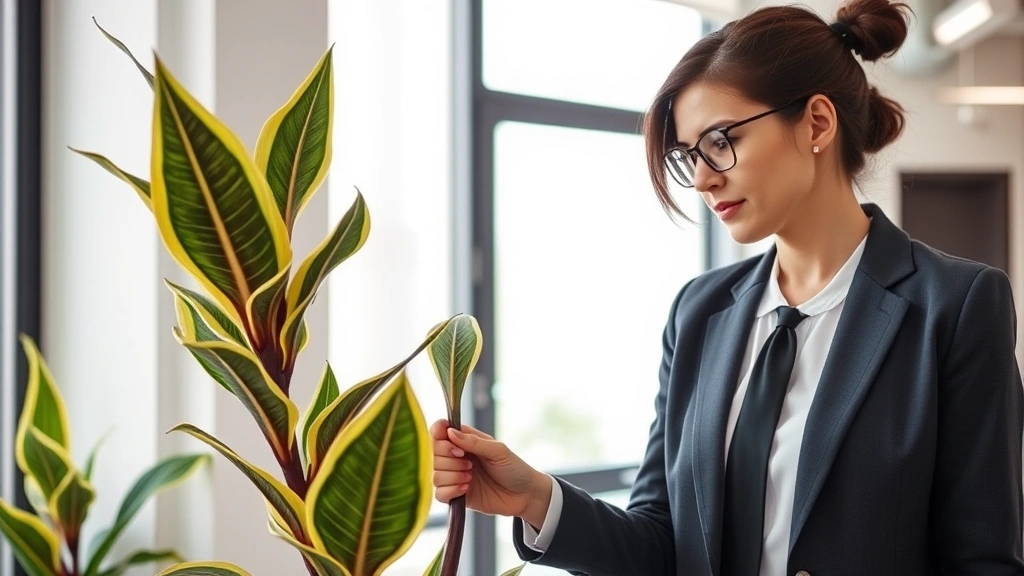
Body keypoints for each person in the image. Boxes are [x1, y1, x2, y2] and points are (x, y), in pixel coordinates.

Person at [430, 0, 1024, 573]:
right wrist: (535, 496)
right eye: (691, 155)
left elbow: (983, 559)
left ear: (816, 122)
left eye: (721, 141)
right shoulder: (699, 310)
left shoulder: (956, 306)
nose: (703, 180)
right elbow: (662, 543)